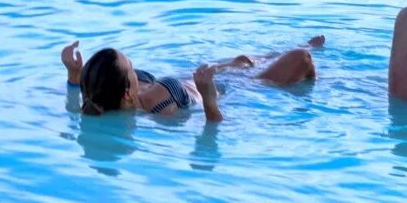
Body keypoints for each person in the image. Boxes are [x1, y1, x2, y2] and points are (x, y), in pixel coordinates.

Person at [60, 37, 321, 123]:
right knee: (302, 58)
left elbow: (76, 107)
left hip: (210, 74)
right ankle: (321, 82)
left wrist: (73, 76)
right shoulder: (161, 111)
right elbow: (217, 131)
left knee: (243, 60)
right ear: (128, 93)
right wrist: (209, 100)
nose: (134, 67)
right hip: (237, 89)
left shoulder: (99, 99)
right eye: (131, 68)